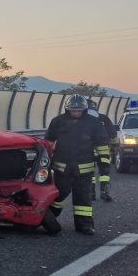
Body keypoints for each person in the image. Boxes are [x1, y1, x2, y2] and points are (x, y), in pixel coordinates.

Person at [45, 95, 109, 235]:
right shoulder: (58, 122)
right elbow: (48, 142)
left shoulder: (93, 123)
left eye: (79, 110)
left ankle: (84, 226)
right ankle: (47, 218)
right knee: (59, 194)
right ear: (67, 109)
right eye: (73, 110)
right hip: (62, 167)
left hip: (84, 168)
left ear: (84, 109)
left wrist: (104, 164)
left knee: (83, 198)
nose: (76, 113)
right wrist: (45, 162)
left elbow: (102, 145)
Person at [86, 99, 117, 202]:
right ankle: (104, 193)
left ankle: (91, 194)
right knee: (104, 172)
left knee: (90, 172)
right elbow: (113, 134)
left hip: (87, 151)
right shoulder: (103, 118)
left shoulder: (81, 120)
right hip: (103, 150)